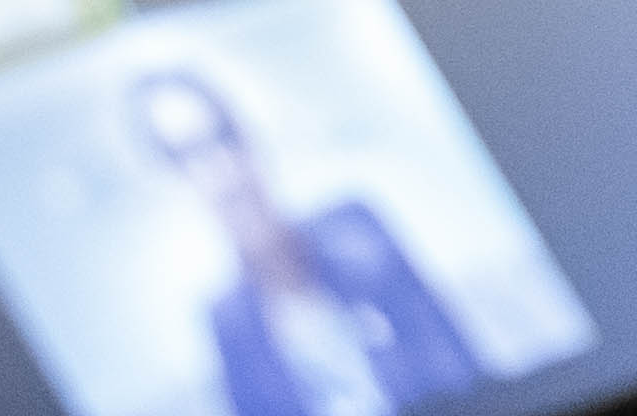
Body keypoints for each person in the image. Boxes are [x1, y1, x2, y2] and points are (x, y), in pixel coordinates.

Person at [135, 64, 488, 416]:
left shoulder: (358, 235)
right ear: (174, 179)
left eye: (224, 137)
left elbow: (462, 372)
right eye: (189, 154)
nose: (225, 170)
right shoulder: (229, 322)